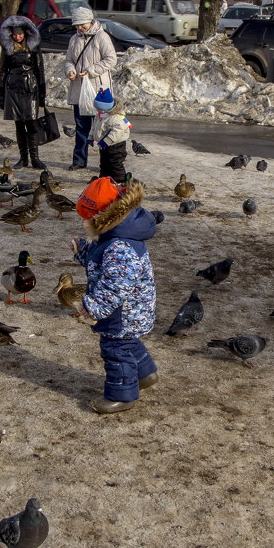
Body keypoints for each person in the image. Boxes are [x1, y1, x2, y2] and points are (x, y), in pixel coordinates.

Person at [72, 177, 158, 414]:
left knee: (115, 349)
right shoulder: (115, 233)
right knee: (127, 342)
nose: (83, 222)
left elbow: (115, 286)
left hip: (124, 311)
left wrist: (93, 307)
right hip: (131, 309)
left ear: (102, 216)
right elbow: (102, 264)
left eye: (87, 218)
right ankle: (145, 373)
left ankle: (122, 395)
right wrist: (84, 251)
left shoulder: (120, 245)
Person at [64, 6, 117, 171]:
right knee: (81, 127)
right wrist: (70, 70)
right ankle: (79, 160)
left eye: (82, 24)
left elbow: (111, 59)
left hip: (99, 91)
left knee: (102, 128)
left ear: (90, 21)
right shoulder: (74, 39)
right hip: (80, 91)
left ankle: (105, 163)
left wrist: (92, 71)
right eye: (77, 25)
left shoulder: (102, 37)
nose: (79, 27)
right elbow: (68, 60)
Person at [0, 14, 47, 170]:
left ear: (25, 33)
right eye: (15, 34)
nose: (17, 37)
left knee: (31, 124)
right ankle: (23, 158)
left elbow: (39, 70)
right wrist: (0, 94)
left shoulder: (33, 48)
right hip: (13, 88)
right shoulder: (7, 49)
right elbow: (2, 71)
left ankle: (35, 158)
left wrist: (42, 92)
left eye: (20, 34)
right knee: (19, 125)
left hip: (30, 88)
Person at [88, 88, 130, 183]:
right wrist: (90, 137)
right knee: (104, 163)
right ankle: (104, 180)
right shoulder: (99, 116)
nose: (98, 110)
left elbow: (117, 132)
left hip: (116, 146)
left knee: (115, 164)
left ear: (107, 108)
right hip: (103, 145)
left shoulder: (116, 118)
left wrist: (106, 142)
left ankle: (120, 181)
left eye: (100, 109)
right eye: (97, 108)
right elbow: (94, 127)